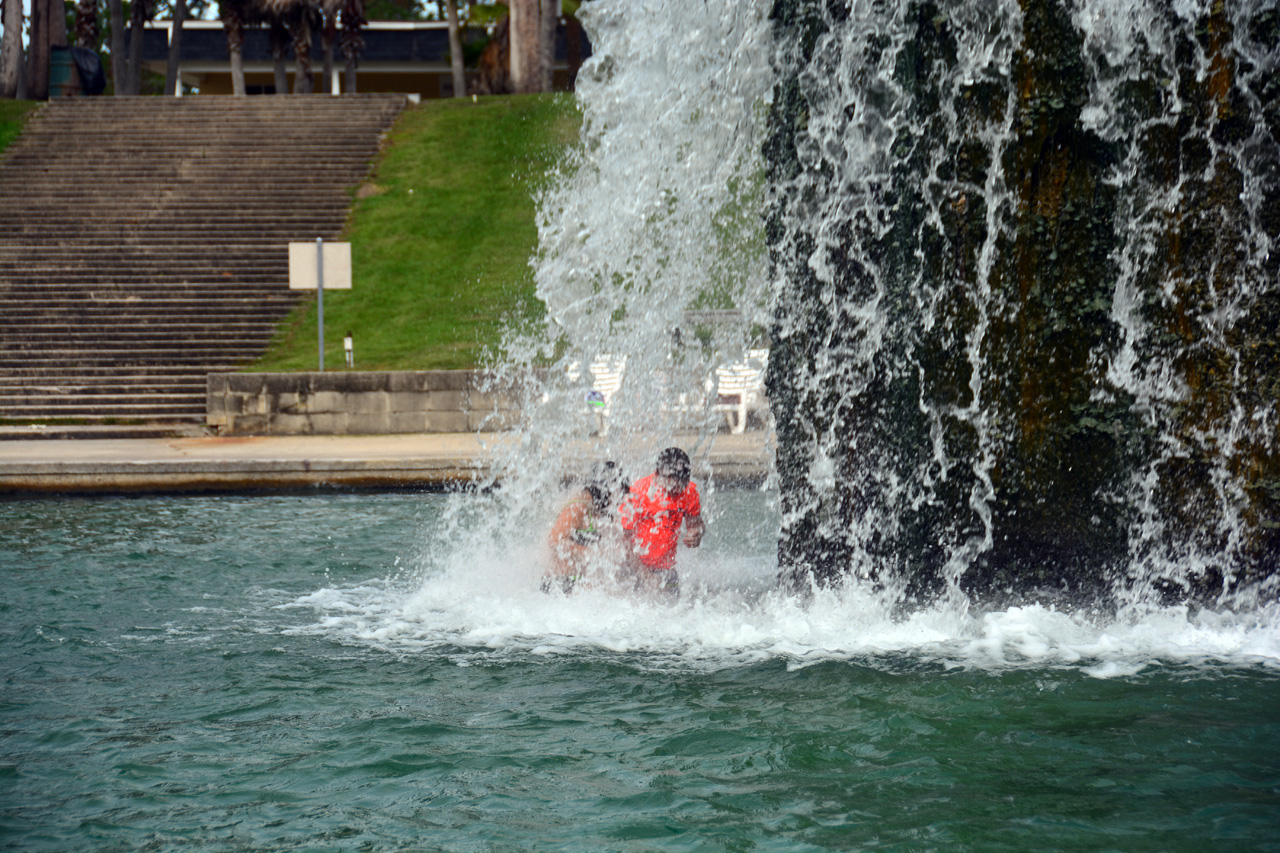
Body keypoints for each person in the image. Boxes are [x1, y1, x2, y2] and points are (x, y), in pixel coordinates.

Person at [619, 447, 705, 600]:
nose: (675, 493)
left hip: (666, 569)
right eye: (670, 488)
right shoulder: (638, 493)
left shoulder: (690, 492)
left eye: (680, 487)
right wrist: (644, 576)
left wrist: (697, 534)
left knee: (674, 614)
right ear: (657, 475)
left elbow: (697, 525)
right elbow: (623, 542)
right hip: (633, 568)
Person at [542, 461, 631, 594]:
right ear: (604, 489)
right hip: (559, 584)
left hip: (578, 584)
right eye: (616, 494)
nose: (618, 501)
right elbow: (554, 540)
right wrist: (587, 552)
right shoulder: (578, 507)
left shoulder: (597, 512)